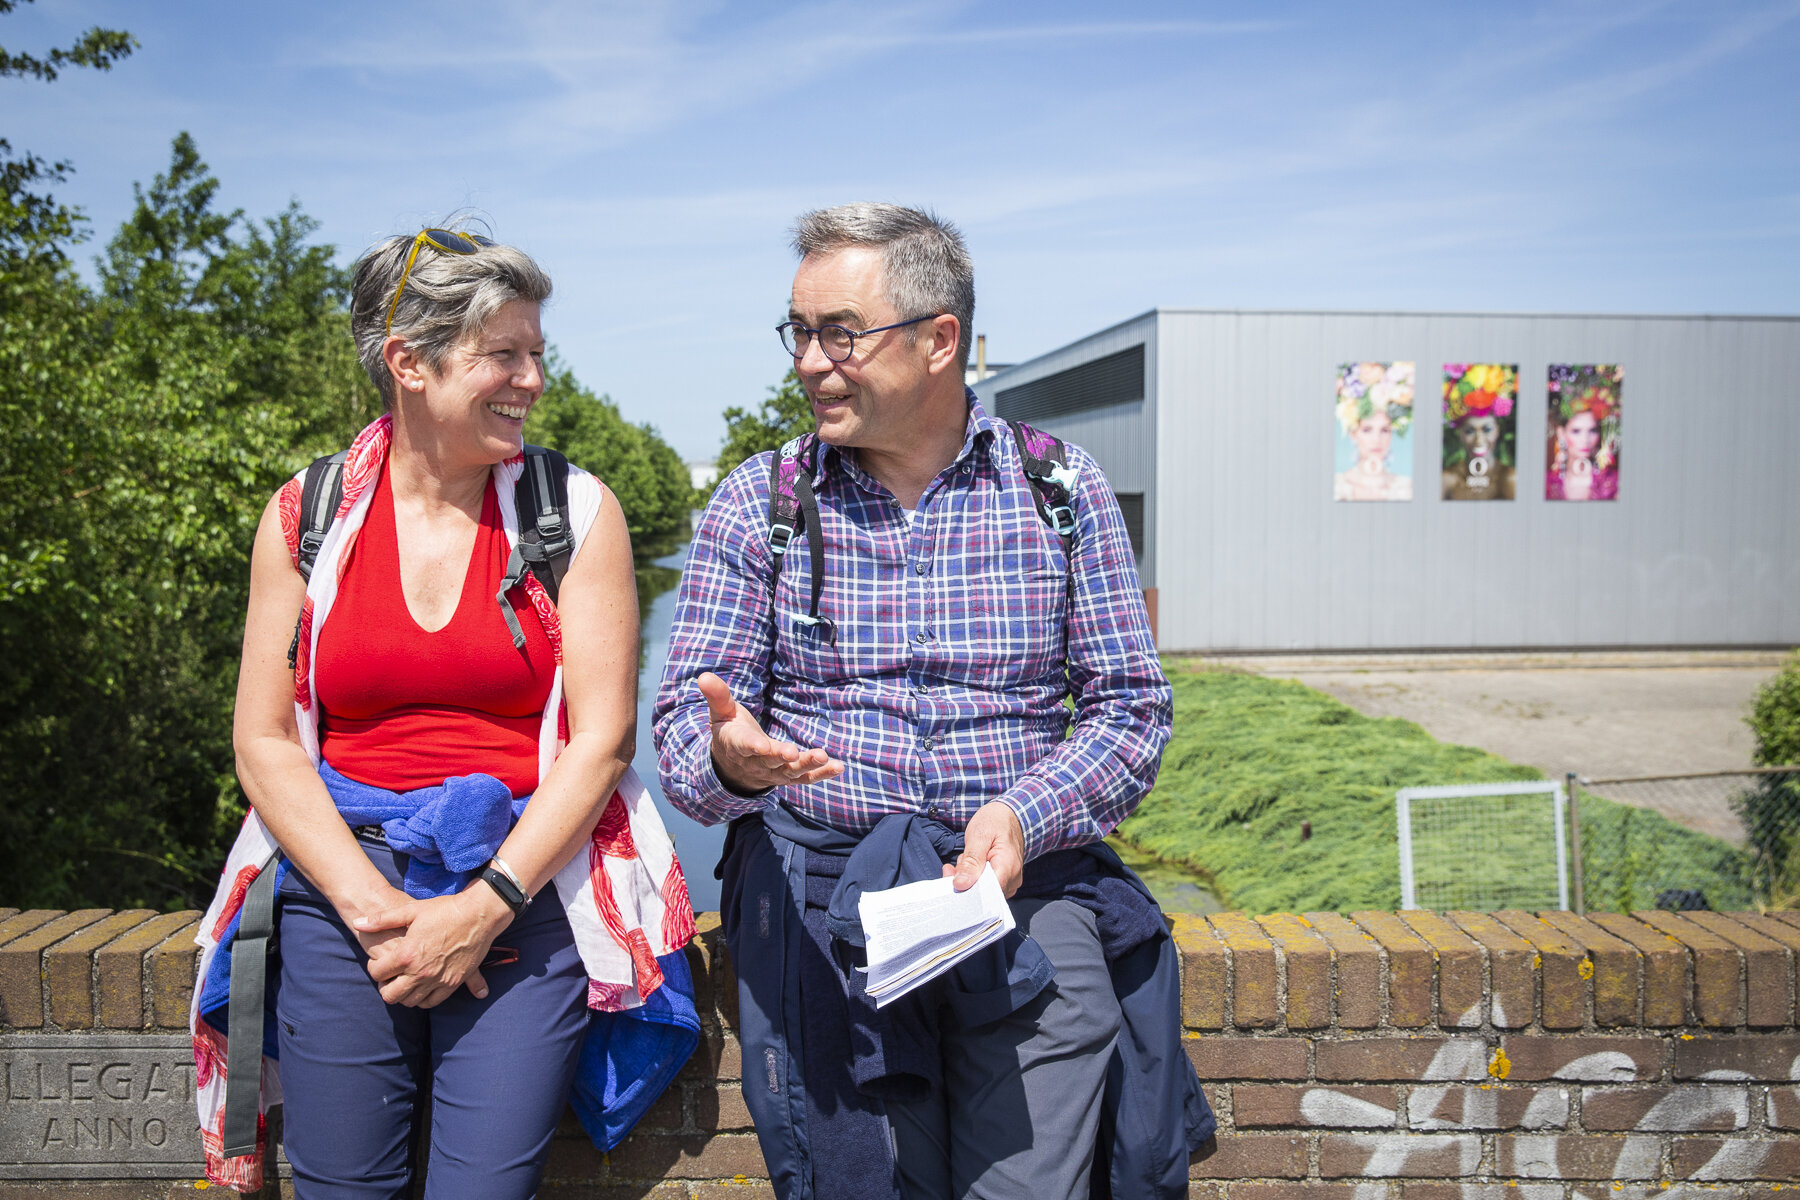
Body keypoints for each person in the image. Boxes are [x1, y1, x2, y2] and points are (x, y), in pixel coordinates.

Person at [654, 203, 1210, 1200]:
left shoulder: (1059, 490)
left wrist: (1021, 816)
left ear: (940, 338)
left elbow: (1133, 712)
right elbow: (682, 739)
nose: (811, 362)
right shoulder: (760, 503)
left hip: (1023, 900)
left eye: (842, 333)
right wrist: (730, 763)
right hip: (827, 915)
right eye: (800, 331)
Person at [190, 227, 696, 1196]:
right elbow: (262, 739)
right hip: (342, 893)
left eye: (537, 352)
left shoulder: (573, 511)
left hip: (521, 887)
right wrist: (375, 911)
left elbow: (601, 744)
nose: (533, 378)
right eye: (504, 354)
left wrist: (480, 909)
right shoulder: (309, 514)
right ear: (408, 363)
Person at [1333, 361, 1414, 501]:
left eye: (1384, 430)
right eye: (1367, 430)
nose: (1377, 440)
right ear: (1353, 434)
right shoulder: (1337, 487)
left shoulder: (1407, 488)